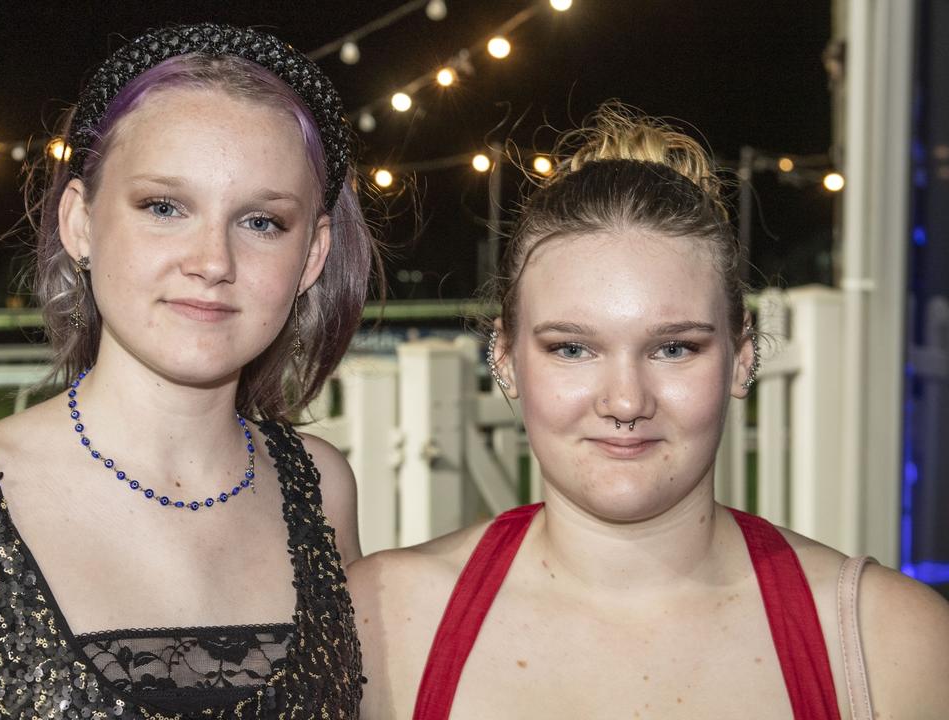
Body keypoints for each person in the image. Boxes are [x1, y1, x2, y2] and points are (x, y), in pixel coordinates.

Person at [0, 23, 376, 720]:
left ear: (312, 256)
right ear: (79, 221)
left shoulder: (321, 490)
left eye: (261, 221)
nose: (212, 261)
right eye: (165, 207)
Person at [348, 106, 949, 719]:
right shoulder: (383, 621)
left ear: (742, 359)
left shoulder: (891, 647)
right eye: (573, 349)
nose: (626, 402)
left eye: (673, 348)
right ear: (505, 358)